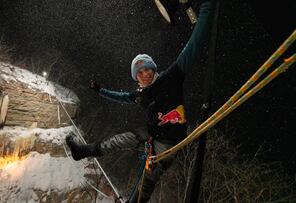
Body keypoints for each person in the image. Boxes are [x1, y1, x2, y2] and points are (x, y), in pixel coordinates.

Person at [66, 0, 217, 202]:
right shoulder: (141, 94)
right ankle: (83, 151)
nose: (144, 75)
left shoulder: (170, 77)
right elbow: (122, 97)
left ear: (154, 70)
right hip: (151, 134)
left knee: (149, 177)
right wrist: (100, 90)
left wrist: (206, 6)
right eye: (139, 73)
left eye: (147, 69)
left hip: (169, 141)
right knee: (119, 140)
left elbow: (195, 41)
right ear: (136, 77)